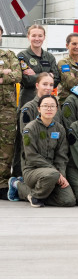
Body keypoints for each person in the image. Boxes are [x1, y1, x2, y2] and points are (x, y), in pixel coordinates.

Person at [8, 94, 75, 207]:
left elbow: (61, 156)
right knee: (52, 174)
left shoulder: (60, 129)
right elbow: (31, 156)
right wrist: (56, 173)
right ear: (39, 109)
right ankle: (19, 185)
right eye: (45, 106)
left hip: (53, 173)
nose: (49, 109)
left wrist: (61, 175)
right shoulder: (29, 129)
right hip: (32, 170)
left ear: (57, 109)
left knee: (69, 200)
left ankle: (39, 195)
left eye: (52, 106)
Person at [0, 25, 23, 200]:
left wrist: (5, 76)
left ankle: (2, 184)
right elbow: (10, 74)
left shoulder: (9, 55)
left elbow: (17, 75)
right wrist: (3, 72)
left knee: (7, 146)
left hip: (7, 109)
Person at [17, 24, 60, 108]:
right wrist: (48, 75)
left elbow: (56, 79)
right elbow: (27, 80)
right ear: (28, 37)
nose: (37, 39)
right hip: (28, 99)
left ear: (44, 37)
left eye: (40, 36)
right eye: (34, 36)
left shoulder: (49, 57)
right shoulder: (22, 56)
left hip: (46, 101)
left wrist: (35, 75)